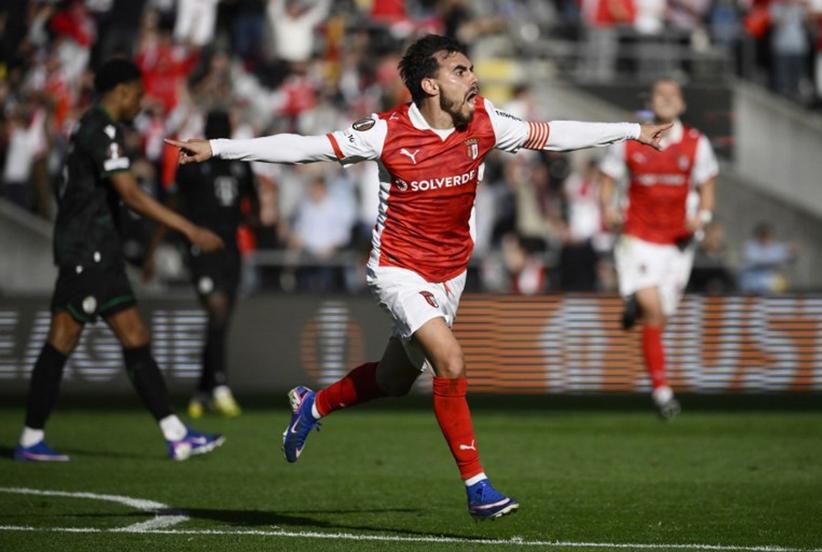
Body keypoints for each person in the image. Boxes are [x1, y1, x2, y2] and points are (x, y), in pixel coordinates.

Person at [167, 34, 670, 519]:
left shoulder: (485, 122)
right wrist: (218, 147)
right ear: (429, 85)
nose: (473, 78)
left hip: (450, 276)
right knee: (450, 359)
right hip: (398, 271)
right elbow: (306, 146)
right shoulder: (386, 131)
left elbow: (554, 134)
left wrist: (630, 130)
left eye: (472, 69)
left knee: (392, 380)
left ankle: (313, 405)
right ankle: (478, 487)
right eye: (460, 70)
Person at [14, 59, 226, 463]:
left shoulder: (91, 127)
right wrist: (189, 230)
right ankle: (29, 438)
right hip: (88, 251)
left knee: (134, 337)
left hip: (98, 250)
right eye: (138, 94)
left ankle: (176, 434)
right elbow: (131, 195)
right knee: (63, 339)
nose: (141, 103)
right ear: (123, 92)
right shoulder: (103, 129)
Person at [599, 78, 719, 420]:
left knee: (659, 316)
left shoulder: (697, 144)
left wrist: (704, 217)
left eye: (673, 94)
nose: (666, 99)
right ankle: (662, 392)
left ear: (681, 104)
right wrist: (607, 208)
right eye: (659, 94)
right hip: (636, 237)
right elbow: (607, 180)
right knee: (654, 308)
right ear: (650, 101)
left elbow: (707, 184)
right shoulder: (630, 141)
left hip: (677, 243)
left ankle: (634, 307)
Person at [144, 110, 259, 419]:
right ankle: (220, 386)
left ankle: (201, 390)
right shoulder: (194, 165)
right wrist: (154, 248)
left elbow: (254, 205)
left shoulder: (239, 164)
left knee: (220, 321)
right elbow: (174, 205)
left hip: (230, 249)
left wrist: (239, 219)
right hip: (200, 248)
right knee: (217, 310)